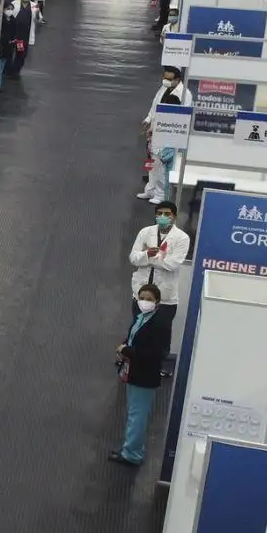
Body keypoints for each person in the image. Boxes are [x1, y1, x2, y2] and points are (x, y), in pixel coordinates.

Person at [109, 283, 172, 467]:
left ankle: (132, 454)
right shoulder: (141, 317)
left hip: (144, 377)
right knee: (134, 413)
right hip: (134, 374)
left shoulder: (159, 325)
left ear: (158, 302)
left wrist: (127, 350)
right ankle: (132, 448)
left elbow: (154, 354)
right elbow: (133, 338)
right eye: (142, 297)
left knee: (137, 416)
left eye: (149, 299)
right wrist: (125, 345)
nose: (144, 302)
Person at [128, 200, 190, 325]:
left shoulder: (182, 238)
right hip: (141, 292)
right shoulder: (145, 232)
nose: (163, 217)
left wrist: (147, 258)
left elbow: (172, 264)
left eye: (167, 214)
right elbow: (133, 258)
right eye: (160, 213)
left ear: (174, 216)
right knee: (137, 329)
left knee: (159, 335)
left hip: (165, 297)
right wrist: (146, 254)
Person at [140, 92, 183, 203]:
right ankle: (150, 191)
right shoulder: (161, 114)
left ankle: (161, 195)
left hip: (165, 149)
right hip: (154, 146)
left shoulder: (178, 118)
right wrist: (150, 134)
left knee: (162, 174)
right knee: (152, 171)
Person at [2, 0, 33, 79]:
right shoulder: (14, 4)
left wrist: (39, 15)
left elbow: (38, 19)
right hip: (13, 35)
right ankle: (8, 71)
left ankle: (15, 72)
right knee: (9, 53)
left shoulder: (34, 6)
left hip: (23, 38)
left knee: (21, 54)